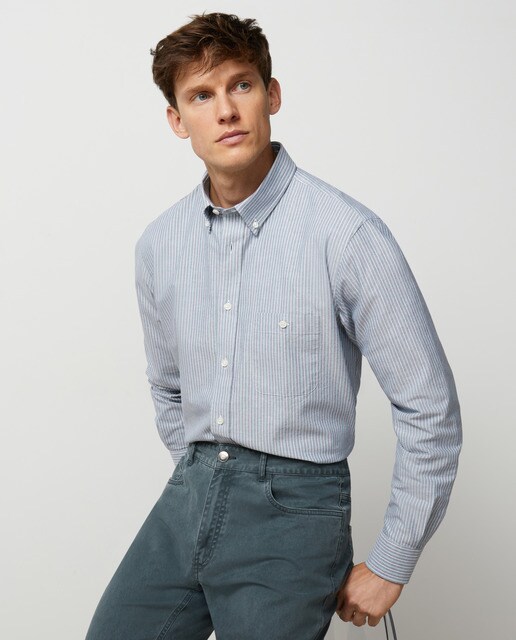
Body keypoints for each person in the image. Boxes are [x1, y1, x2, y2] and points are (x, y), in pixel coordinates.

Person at [85, 12, 462, 640]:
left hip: (296, 513)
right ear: (177, 120)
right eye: (201, 95)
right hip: (190, 492)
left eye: (241, 85)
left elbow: (429, 407)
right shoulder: (160, 244)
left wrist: (392, 560)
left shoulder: (347, 235)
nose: (225, 111)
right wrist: (204, 474)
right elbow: (168, 386)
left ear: (272, 94)